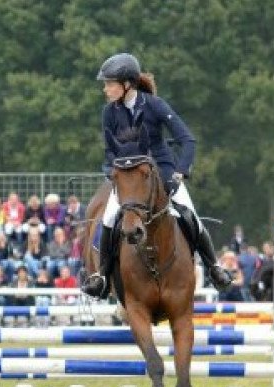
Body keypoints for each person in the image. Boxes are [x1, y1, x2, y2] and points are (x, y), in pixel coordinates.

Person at [82, 53, 231, 298]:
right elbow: (109, 152)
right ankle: (101, 276)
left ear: (126, 83)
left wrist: (181, 172)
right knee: (108, 220)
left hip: (162, 172)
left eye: (109, 83)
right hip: (129, 179)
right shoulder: (109, 112)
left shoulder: (154, 105)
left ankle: (214, 267)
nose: (105, 89)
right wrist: (112, 173)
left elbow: (187, 140)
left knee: (189, 214)